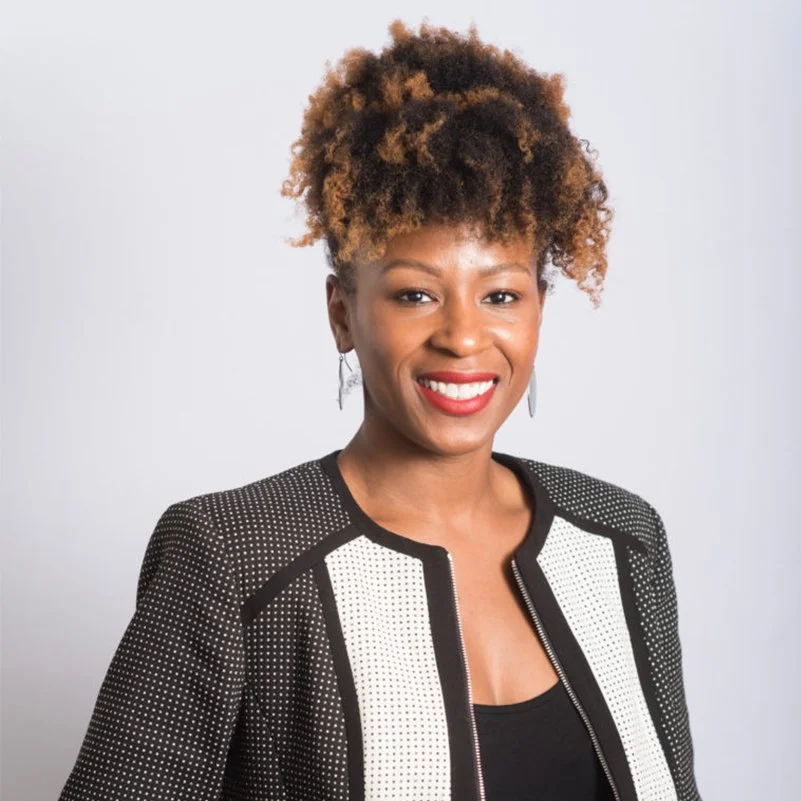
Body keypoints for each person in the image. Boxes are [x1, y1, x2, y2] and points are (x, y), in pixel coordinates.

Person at [58, 18, 702, 801]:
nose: (463, 335)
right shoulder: (231, 557)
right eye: (414, 294)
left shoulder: (622, 539)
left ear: (538, 309)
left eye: (501, 293)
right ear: (342, 311)